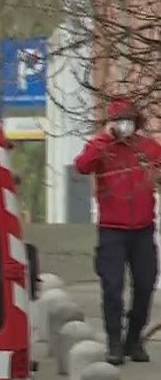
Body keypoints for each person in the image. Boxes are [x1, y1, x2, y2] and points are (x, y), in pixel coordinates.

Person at [75, 96, 161, 365]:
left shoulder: (148, 147)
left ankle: (133, 340)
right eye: (120, 120)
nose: (125, 125)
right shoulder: (102, 147)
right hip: (112, 231)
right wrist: (104, 139)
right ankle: (114, 341)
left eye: (129, 120)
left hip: (143, 230)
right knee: (112, 287)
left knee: (145, 284)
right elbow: (82, 165)